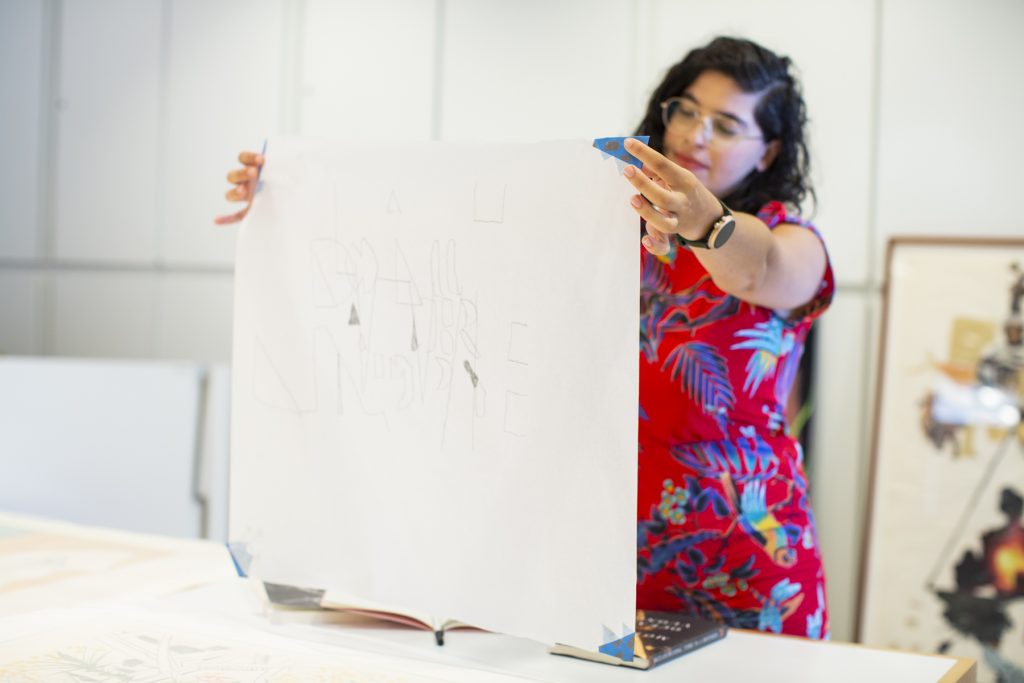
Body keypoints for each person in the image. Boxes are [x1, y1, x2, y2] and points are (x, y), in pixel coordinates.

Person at [217, 36, 832, 639]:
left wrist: (706, 223)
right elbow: (440, 240)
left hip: (744, 560)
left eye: (727, 125)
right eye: (687, 111)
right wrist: (289, 200)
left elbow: (762, 269)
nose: (697, 135)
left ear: (769, 152)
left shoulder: (790, 238)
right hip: (602, 555)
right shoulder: (606, 222)